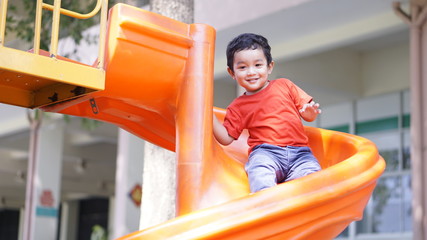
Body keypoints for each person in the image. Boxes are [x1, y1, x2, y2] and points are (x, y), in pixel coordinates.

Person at [213, 33, 322, 193]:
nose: (251, 72)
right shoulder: (238, 106)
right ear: (232, 73)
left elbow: (308, 116)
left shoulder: (284, 85)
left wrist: (310, 113)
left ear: (269, 67)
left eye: (258, 65)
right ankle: (267, 204)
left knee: (313, 180)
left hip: (300, 153)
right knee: (260, 173)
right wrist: (207, 114)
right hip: (266, 153)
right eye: (242, 67)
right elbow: (226, 138)